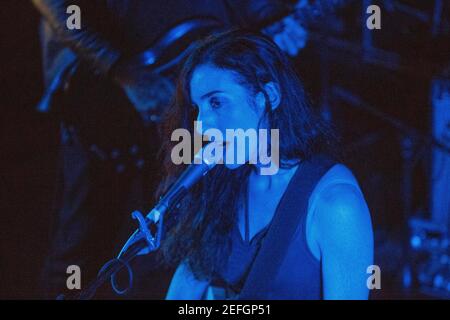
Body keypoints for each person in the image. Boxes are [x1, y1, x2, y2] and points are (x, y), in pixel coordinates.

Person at [31, 0, 310, 299]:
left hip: (189, 85)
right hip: (103, 87)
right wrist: (121, 70)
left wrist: (273, 22)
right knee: (81, 243)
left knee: (178, 238)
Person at [159, 30, 374, 299]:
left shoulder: (337, 205)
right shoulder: (224, 180)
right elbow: (191, 276)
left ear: (268, 96)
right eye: (198, 109)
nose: (202, 126)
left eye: (217, 102)